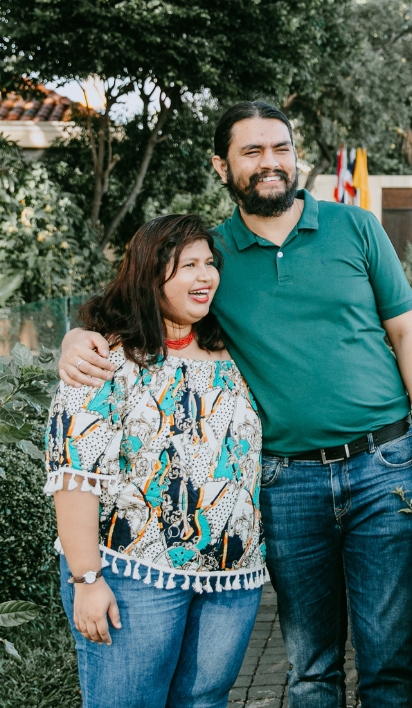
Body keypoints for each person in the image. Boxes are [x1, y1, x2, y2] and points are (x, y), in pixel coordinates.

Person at [60, 101, 412, 708]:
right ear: (222, 166)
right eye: (252, 152)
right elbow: (140, 301)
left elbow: (407, 333)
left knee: (389, 658)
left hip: (385, 463)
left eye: (281, 149)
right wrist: (75, 338)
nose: (271, 163)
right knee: (311, 665)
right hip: (286, 482)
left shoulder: (357, 227)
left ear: (296, 155)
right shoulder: (209, 255)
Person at [46, 214, 265, 708]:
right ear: (149, 274)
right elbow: (73, 476)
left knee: (205, 702)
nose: (205, 276)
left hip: (231, 580)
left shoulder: (234, 356)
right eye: (188, 265)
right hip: (132, 579)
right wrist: (87, 580)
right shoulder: (104, 361)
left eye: (210, 263)